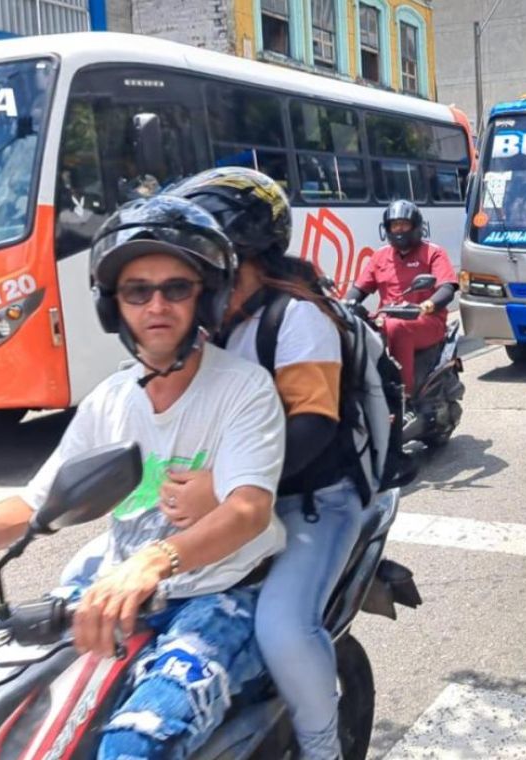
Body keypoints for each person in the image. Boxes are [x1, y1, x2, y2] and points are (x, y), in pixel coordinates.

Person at [0, 195, 288, 760]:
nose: (156, 305)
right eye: (137, 291)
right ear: (112, 305)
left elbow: (248, 509)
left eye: (176, 288)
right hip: (113, 593)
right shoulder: (110, 400)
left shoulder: (243, 388)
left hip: (219, 594)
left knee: (134, 743)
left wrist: (152, 562)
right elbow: (33, 508)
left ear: (207, 296)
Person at [159, 166, 358, 759]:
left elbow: (314, 424)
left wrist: (223, 487)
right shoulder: (207, 324)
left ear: (237, 249)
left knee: (282, 628)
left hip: (312, 503)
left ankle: (322, 746)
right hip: (231, 502)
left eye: (195, 252)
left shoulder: (296, 317)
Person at [346, 200, 458, 398]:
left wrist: (427, 305)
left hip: (426, 320)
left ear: (416, 226)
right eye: (394, 225)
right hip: (385, 319)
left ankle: (404, 397)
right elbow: (359, 289)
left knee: (397, 327)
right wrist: (341, 306)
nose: (399, 230)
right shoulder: (380, 256)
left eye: (404, 225)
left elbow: (447, 288)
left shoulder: (433, 253)